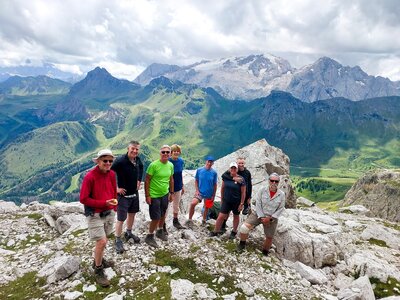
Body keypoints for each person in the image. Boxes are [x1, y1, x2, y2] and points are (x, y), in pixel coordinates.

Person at [80, 149, 118, 287]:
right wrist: (103, 203)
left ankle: (99, 259)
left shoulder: (112, 174)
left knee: (104, 240)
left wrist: (114, 206)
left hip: (109, 211)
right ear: (98, 161)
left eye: (110, 161)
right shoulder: (90, 177)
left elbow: (114, 190)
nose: (108, 163)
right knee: (101, 241)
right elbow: (83, 198)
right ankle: (98, 269)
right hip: (95, 214)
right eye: (105, 161)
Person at [237, 172, 285, 256]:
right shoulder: (262, 190)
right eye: (272, 180)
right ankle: (242, 244)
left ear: (278, 182)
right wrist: (262, 217)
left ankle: (265, 253)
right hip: (258, 214)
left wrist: (270, 218)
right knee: (244, 228)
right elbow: (257, 203)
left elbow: (281, 208)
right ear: (268, 181)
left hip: (271, 217)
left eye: (276, 181)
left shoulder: (281, 194)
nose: (274, 183)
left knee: (269, 237)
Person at [111, 140, 144, 254]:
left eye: (137, 149)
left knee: (132, 214)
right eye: (133, 149)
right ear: (128, 149)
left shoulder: (137, 160)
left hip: (134, 194)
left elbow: (141, 168)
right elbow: (108, 173)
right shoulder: (120, 161)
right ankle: (118, 239)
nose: (135, 151)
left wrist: (139, 180)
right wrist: (115, 188)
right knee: (121, 219)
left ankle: (128, 232)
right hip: (123, 196)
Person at [144, 145, 174, 248]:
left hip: (165, 194)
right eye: (163, 152)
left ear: (170, 154)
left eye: (167, 152)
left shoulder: (170, 165)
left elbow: (171, 179)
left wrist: (171, 193)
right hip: (154, 195)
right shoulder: (153, 165)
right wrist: (147, 195)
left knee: (163, 214)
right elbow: (147, 180)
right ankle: (150, 235)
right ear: (160, 153)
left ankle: (160, 230)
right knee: (155, 217)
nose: (165, 154)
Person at [210, 162, 246, 239]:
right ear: (229, 169)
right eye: (231, 168)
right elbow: (222, 188)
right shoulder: (226, 176)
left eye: (235, 168)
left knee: (236, 216)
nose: (233, 169)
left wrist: (242, 203)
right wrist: (222, 199)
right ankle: (215, 231)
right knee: (221, 216)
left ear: (237, 169)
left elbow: (243, 192)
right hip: (226, 201)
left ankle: (234, 231)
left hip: (236, 201)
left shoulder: (241, 179)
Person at [220, 157, 253, 231]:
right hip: (233, 194)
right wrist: (233, 179)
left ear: (244, 164)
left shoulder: (247, 173)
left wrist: (249, 197)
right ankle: (223, 224)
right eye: (239, 163)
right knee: (227, 211)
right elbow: (224, 176)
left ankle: (241, 228)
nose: (241, 164)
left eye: (242, 163)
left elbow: (250, 185)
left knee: (237, 213)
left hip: (243, 195)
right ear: (237, 164)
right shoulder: (234, 170)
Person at [186, 155, 218, 227]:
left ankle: (203, 221)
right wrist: (197, 190)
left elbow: (215, 185)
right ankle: (190, 220)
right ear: (206, 161)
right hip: (200, 192)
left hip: (209, 193)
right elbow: (196, 180)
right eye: (208, 161)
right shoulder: (199, 170)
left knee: (206, 207)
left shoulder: (214, 173)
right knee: (193, 203)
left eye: (211, 162)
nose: (209, 163)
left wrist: (213, 195)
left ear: (213, 163)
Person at [168, 144, 185, 230]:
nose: (176, 152)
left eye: (178, 151)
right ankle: (162, 224)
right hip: (168, 188)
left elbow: (180, 173)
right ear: (171, 152)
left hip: (178, 186)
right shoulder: (168, 161)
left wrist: (182, 185)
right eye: (174, 151)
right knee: (166, 206)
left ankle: (175, 220)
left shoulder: (181, 161)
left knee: (176, 205)